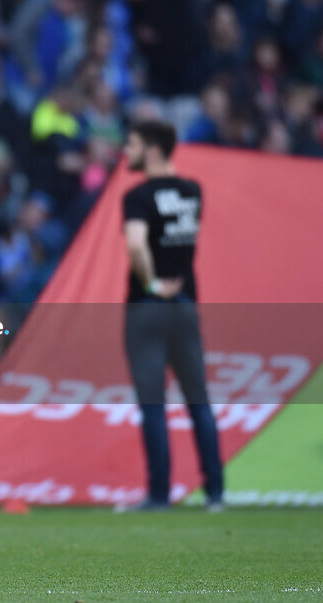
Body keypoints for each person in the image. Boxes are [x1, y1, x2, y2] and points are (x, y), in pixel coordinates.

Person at [120, 120, 224, 512]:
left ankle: (160, 495)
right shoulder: (193, 191)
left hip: (147, 309)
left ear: (153, 150)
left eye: (131, 144)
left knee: (153, 404)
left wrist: (150, 285)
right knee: (199, 400)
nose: (125, 152)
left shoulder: (138, 197)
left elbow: (135, 245)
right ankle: (216, 493)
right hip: (186, 306)